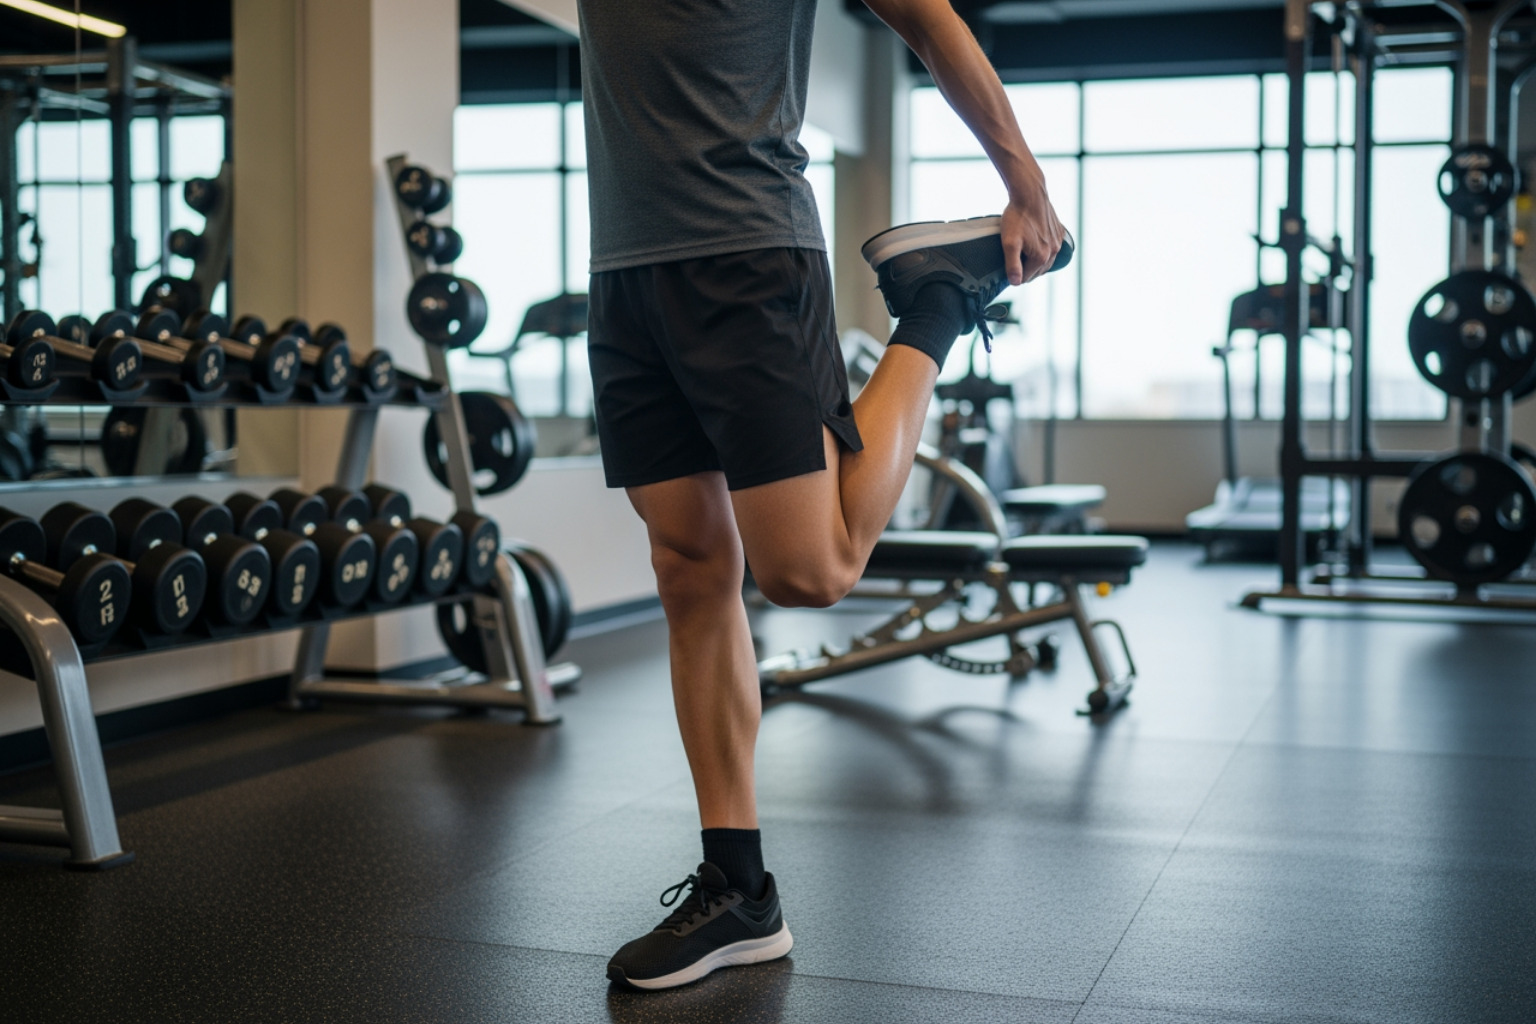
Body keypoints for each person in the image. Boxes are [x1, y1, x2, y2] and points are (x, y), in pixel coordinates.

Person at [578, 0, 1069, 990]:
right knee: (688, 568)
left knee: (810, 569)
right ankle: (740, 889)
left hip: (745, 254)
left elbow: (930, 20)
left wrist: (1024, 180)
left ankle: (939, 300)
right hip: (623, 274)